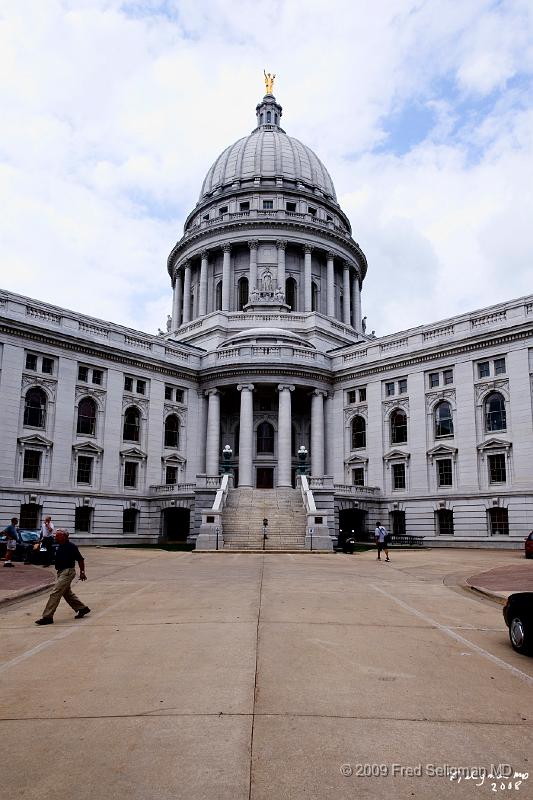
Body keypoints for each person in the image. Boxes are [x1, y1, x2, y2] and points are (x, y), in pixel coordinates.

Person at [35, 530, 90, 625]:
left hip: (68, 572)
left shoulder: (71, 547)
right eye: (55, 536)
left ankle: (47, 617)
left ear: (65, 537)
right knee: (66, 593)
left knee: (55, 592)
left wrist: (82, 572)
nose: (55, 537)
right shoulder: (57, 545)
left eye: (57, 536)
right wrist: (38, 548)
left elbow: (80, 559)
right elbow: (44, 551)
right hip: (60, 572)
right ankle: (82, 609)